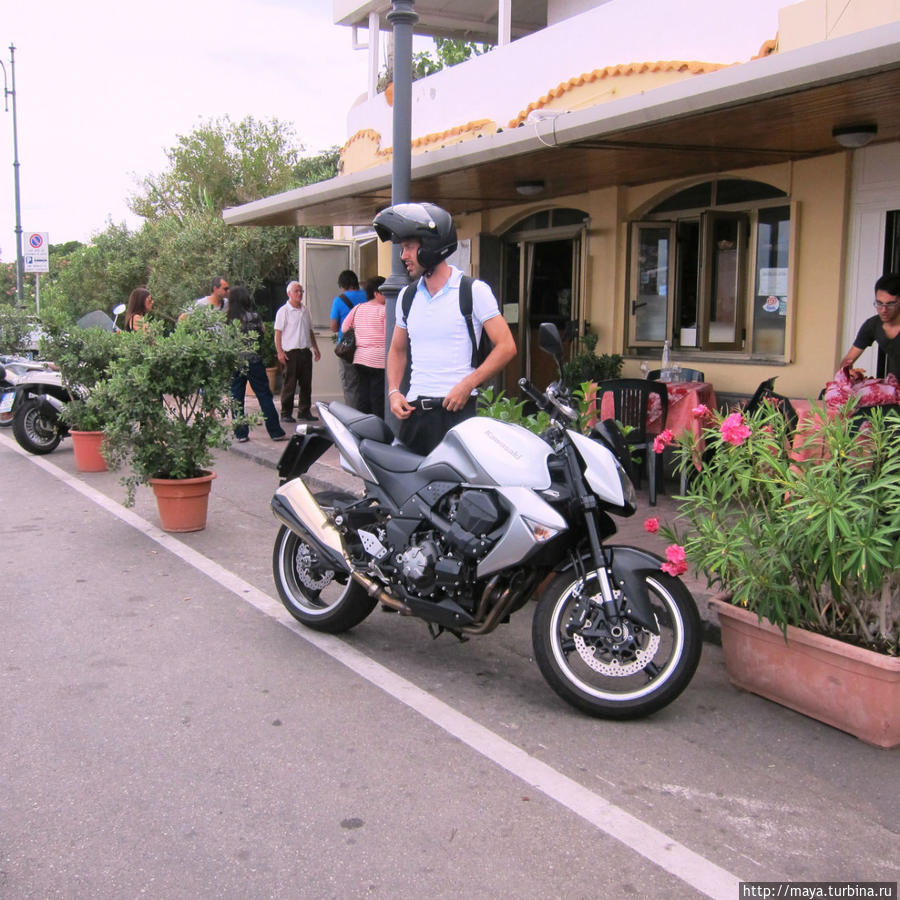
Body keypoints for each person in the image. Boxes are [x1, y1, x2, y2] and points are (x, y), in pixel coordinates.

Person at [375, 202, 516, 455]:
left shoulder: (472, 291)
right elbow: (397, 350)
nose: (403, 256)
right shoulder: (407, 297)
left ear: (431, 246)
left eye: (408, 247)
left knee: (460, 493)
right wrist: (394, 391)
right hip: (415, 415)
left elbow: (506, 346)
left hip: (458, 415)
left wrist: (467, 384)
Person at [226, 286, 288, 443]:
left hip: (236, 362)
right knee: (264, 396)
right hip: (254, 360)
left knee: (237, 397)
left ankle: (241, 433)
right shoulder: (254, 316)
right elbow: (261, 335)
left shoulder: (228, 319)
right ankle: (275, 431)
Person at [275, 281, 320, 423]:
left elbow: (310, 331)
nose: (299, 294)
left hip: (304, 351)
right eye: (296, 291)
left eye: (301, 291)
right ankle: (286, 413)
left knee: (306, 383)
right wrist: (280, 352)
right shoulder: (284, 311)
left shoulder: (305, 310)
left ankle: (304, 411)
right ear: (289, 293)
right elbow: (278, 333)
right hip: (291, 352)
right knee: (290, 383)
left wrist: (315, 348)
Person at [839, 273, 900, 380]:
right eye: (879, 303)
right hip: (894, 387)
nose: (883, 310)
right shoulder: (872, 325)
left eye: (890, 304)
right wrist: (847, 371)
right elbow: (848, 359)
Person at [342, 275, 387, 417]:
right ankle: (378, 428)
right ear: (376, 293)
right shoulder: (384, 310)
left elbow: (344, 328)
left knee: (363, 395)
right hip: (378, 360)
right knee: (378, 398)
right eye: (384, 292)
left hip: (360, 359)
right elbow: (389, 336)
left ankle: (363, 426)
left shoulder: (358, 308)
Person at [330, 269, 367, 405]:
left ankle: (352, 417)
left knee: (350, 384)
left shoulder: (339, 301)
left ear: (342, 285)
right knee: (365, 383)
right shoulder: (367, 296)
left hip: (348, 348)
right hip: (366, 344)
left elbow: (333, 327)